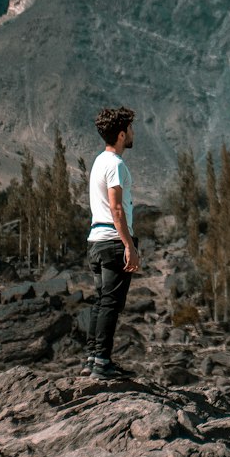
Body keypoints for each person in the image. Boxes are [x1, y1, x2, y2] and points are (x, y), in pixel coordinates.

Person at [85, 105, 139, 381]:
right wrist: (129, 245)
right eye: (129, 128)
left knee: (100, 301)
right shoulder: (116, 165)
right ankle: (102, 362)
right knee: (110, 303)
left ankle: (92, 358)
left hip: (95, 241)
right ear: (121, 134)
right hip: (112, 241)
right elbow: (117, 209)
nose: (132, 133)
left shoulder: (98, 162)